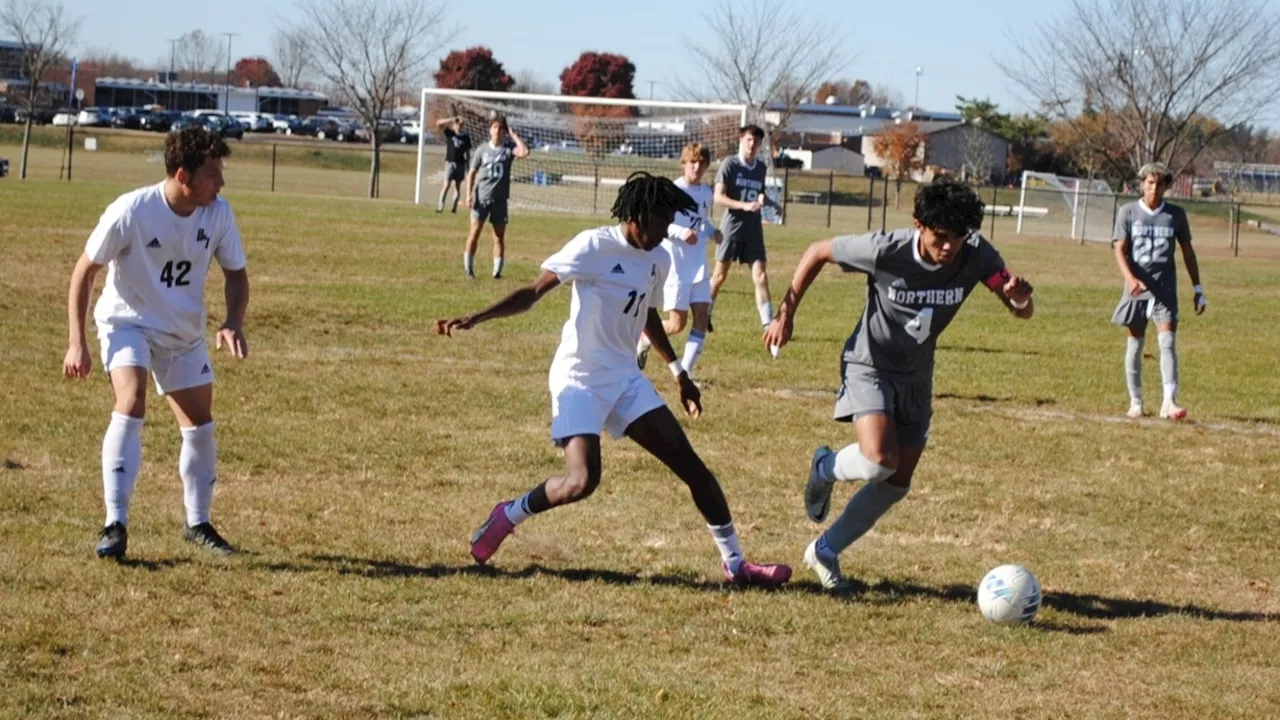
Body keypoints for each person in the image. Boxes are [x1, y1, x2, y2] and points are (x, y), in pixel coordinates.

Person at [436, 172, 791, 586]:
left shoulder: (659, 257)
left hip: (624, 376)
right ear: (638, 215)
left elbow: (647, 315)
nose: (665, 231)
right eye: (661, 221)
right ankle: (508, 514)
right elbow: (534, 292)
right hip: (579, 375)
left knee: (692, 466)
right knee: (581, 481)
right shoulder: (594, 245)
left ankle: (736, 565)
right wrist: (478, 316)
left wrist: (678, 372)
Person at [762, 178, 1034, 590]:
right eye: (940, 236)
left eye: (957, 237)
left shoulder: (977, 254)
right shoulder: (885, 249)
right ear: (919, 225)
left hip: (917, 375)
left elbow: (1019, 310)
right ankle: (825, 467)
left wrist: (1019, 297)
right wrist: (786, 312)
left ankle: (825, 551)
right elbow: (818, 251)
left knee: (896, 483)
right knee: (878, 459)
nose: (949, 247)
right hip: (869, 363)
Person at [62, 125, 250, 560]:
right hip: (128, 322)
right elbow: (84, 272)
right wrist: (77, 342)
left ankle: (198, 524)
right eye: (212, 173)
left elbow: (236, 274)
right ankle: (115, 523)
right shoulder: (132, 210)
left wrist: (233, 321)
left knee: (200, 422)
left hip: (182, 332)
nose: (220, 182)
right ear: (183, 177)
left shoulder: (218, 214)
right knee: (131, 399)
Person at [1110, 162, 1205, 420]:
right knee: (1135, 344)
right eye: (1149, 182)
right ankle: (1136, 401)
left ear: (1166, 187)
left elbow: (1187, 252)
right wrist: (1130, 279)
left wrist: (1198, 288)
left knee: (1167, 342)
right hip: (1137, 289)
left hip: (1165, 290)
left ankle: (1169, 402)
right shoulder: (1128, 212)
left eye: (1159, 183)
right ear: (1141, 184)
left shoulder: (1175, 215)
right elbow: (1119, 249)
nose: (1153, 188)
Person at [636, 142, 722, 376]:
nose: (696, 167)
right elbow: (661, 224)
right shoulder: (672, 191)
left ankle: (686, 372)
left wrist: (713, 231)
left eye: (701, 163)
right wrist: (681, 233)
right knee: (676, 324)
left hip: (699, 265)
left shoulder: (705, 193)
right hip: (676, 265)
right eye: (692, 162)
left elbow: (701, 220)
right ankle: (645, 338)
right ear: (684, 163)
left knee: (702, 318)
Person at [708, 124, 782, 336]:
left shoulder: (760, 168)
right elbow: (719, 197)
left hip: (753, 230)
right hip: (731, 228)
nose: (752, 145)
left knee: (761, 276)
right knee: (719, 277)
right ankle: (706, 314)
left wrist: (771, 203)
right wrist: (743, 206)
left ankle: (768, 324)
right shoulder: (729, 165)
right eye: (749, 140)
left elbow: (757, 195)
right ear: (741, 140)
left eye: (756, 141)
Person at [463, 115, 529, 280]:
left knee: (498, 236)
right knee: (474, 233)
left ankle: (497, 272)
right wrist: (469, 195)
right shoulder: (482, 150)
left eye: (500, 129)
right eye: (494, 127)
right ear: (489, 130)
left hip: (500, 201)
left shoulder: (507, 150)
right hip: (481, 198)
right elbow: (471, 173)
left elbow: (525, 152)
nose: (497, 131)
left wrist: (514, 136)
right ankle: (468, 269)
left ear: (504, 132)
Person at [436, 115, 472, 214]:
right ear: (454, 125)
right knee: (446, 185)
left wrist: (468, 166)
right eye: (457, 124)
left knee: (457, 186)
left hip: (460, 164)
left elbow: (468, 153)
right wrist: (452, 119)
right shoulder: (450, 134)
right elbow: (439, 123)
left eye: (460, 125)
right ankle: (440, 207)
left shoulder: (465, 137)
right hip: (450, 163)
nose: (458, 126)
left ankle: (454, 208)